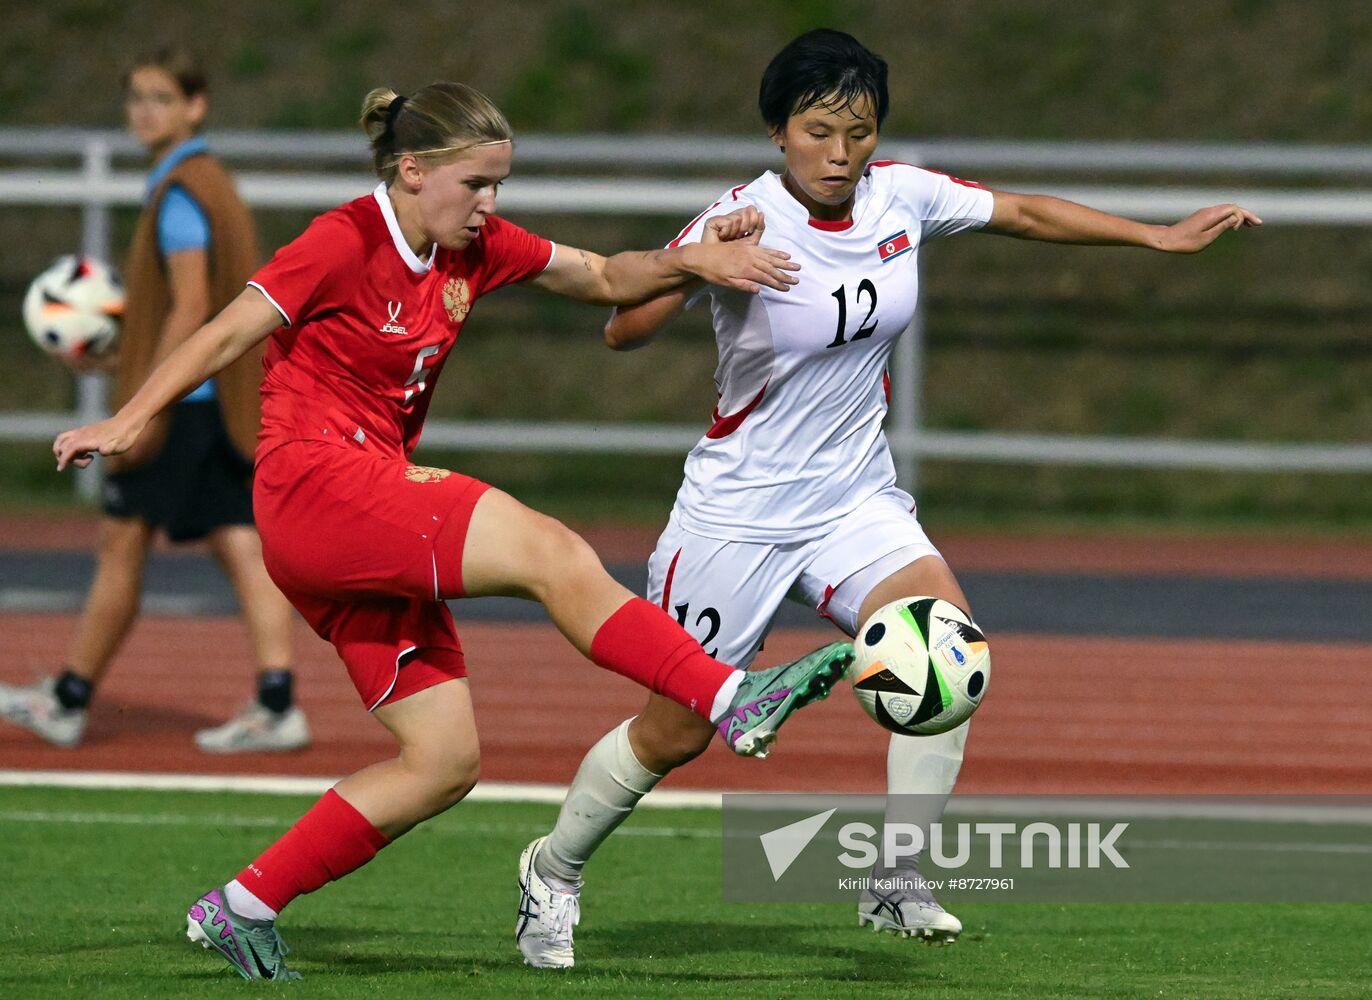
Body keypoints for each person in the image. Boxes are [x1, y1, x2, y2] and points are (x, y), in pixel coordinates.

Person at [51, 80, 854, 981]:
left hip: (360, 513)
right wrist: (126, 418)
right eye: (475, 184)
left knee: (442, 763)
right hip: (316, 487)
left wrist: (694, 261)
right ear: (411, 169)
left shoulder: (477, 249)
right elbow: (226, 328)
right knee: (547, 549)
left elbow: (601, 277)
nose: (490, 205)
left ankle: (239, 907)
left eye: (499, 185)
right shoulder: (343, 240)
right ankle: (729, 699)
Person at [516, 27, 1261, 967]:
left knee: (945, 648)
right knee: (679, 731)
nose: (840, 153)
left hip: (851, 501)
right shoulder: (739, 216)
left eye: (858, 132)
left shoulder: (900, 195)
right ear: (778, 132)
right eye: (819, 130)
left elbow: (1023, 214)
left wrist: (1154, 235)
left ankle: (897, 878)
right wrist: (700, 260)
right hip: (737, 515)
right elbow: (624, 331)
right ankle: (553, 867)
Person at [0, 47, 309, 753]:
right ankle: (277, 700)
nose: (144, 111)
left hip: (185, 408)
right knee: (239, 543)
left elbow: (193, 304)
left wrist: (140, 398)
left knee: (122, 545)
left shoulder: (179, 194)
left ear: (195, 106)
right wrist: (124, 347)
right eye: (136, 97)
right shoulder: (214, 182)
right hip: (221, 398)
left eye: (161, 98)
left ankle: (70, 701)